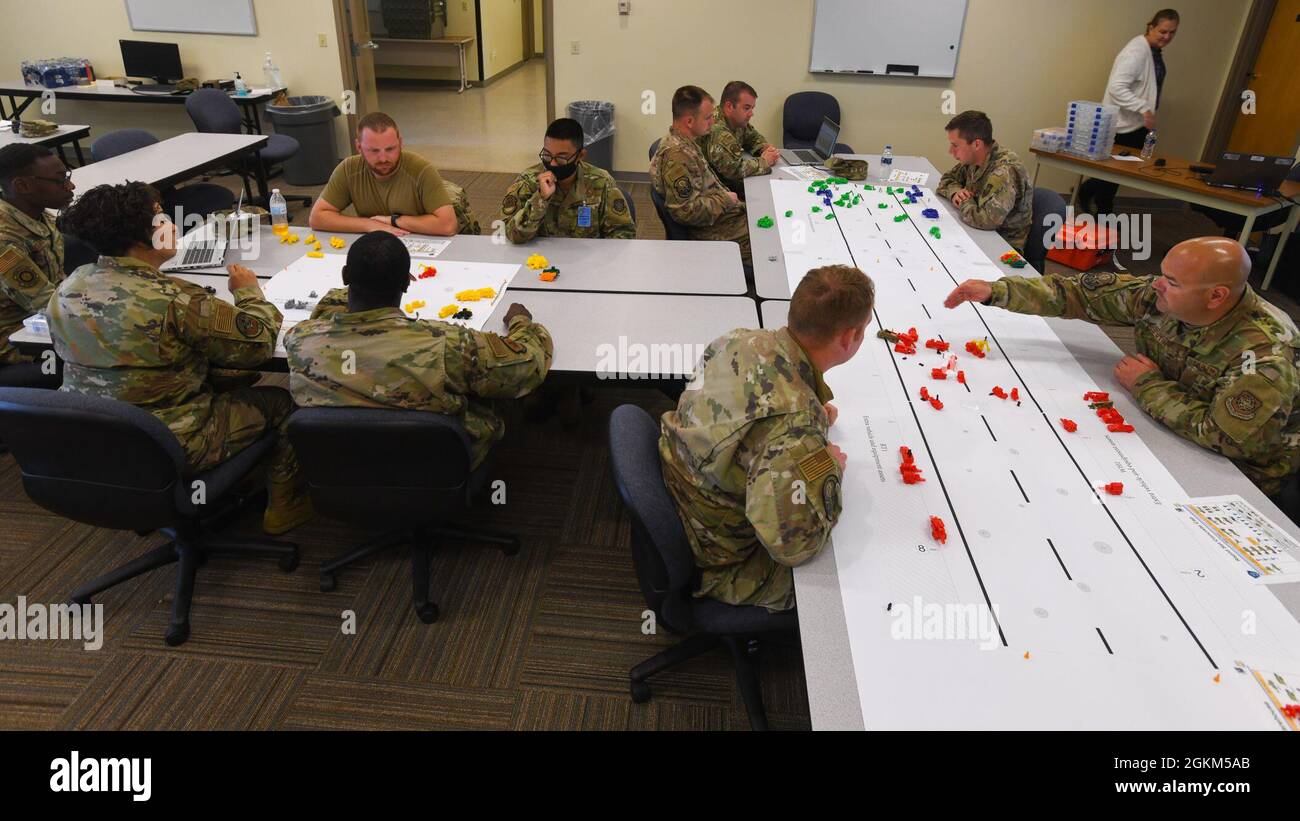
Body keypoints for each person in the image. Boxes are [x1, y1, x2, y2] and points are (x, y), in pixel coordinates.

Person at [944, 236, 1299, 498]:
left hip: (1239, 474)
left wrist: (1148, 385)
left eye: (1172, 282)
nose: (1157, 284)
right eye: (1162, 274)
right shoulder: (1160, 295)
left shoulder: (1265, 355)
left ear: (1216, 296)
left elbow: (1228, 438)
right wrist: (996, 291)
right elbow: (1076, 294)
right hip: (1166, 424)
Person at [48, 182, 312, 533]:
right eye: (161, 218)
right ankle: (285, 507)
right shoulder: (174, 299)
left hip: (93, 436)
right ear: (146, 237)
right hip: (170, 440)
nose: (172, 225)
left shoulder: (70, 285)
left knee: (230, 377)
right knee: (282, 403)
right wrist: (249, 292)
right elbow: (258, 343)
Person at [659, 264, 875, 611]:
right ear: (848, 338)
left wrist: (811, 411)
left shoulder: (740, 338)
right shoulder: (794, 426)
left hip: (682, 487)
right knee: (858, 583)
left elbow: (745, 407)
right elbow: (793, 548)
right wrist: (826, 462)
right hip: (721, 560)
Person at [284, 232, 553, 469]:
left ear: (345, 277)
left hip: (341, 464)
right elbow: (527, 366)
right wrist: (522, 323)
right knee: (488, 389)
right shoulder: (446, 344)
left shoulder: (299, 340)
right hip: (435, 465)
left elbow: (323, 315)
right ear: (406, 283)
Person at [309, 111, 478, 237]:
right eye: (374, 151)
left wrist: (393, 221)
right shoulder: (349, 169)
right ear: (359, 147)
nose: (383, 158)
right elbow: (317, 218)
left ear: (401, 143)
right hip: (381, 243)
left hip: (423, 241)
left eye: (390, 149)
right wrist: (369, 225)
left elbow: (448, 225)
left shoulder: (420, 169)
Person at [1078, 9, 1180, 215]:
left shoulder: (1152, 52)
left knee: (1118, 173)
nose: (1167, 37)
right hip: (1124, 126)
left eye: (1172, 33)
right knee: (1115, 174)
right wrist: (1144, 109)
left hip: (1135, 124)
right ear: (1151, 27)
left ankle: (1094, 200)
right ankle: (1099, 208)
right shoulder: (1136, 53)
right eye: (1163, 31)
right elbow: (1117, 88)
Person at [650, 85, 751, 266]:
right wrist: (725, 200)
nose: (713, 122)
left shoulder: (686, 143)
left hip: (722, 218)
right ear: (689, 121)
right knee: (774, 244)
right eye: (708, 117)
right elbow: (685, 211)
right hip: (714, 232)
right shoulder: (677, 156)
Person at [500, 117, 635, 242]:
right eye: (547, 155)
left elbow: (623, 233)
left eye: (561, 158)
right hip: (541, 261)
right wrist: (540, 198)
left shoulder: (601, 182)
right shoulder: (528, 182)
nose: (552, 164)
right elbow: (512, 235)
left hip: (588, 261)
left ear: (580, 155)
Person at [0, 144, 73, 375]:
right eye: (59, 180)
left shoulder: (38, 215)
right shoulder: (4, 240)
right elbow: (45, 302)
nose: (71, 186)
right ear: (22, 186)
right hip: (12, 338)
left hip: (41, 320)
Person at [935, 110, 1033, 252]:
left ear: (976, 144)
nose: (951, 151)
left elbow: (985, 220)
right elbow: (947, 180)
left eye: (955, 145)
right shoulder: (973, 159)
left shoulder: (1004, 171)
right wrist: (956, 192)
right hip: (977, 233)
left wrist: (963, 201)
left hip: (1002, 246)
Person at [699, 80, 780, 195]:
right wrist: (764, 161)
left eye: (752, 108)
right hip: (714, 192)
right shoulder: (718, 129)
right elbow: (733, 169)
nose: (751, 113)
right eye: (747, 108)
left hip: (727, 185)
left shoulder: (736, 120)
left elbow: (752, 137)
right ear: (729, 107)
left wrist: (764, 148)